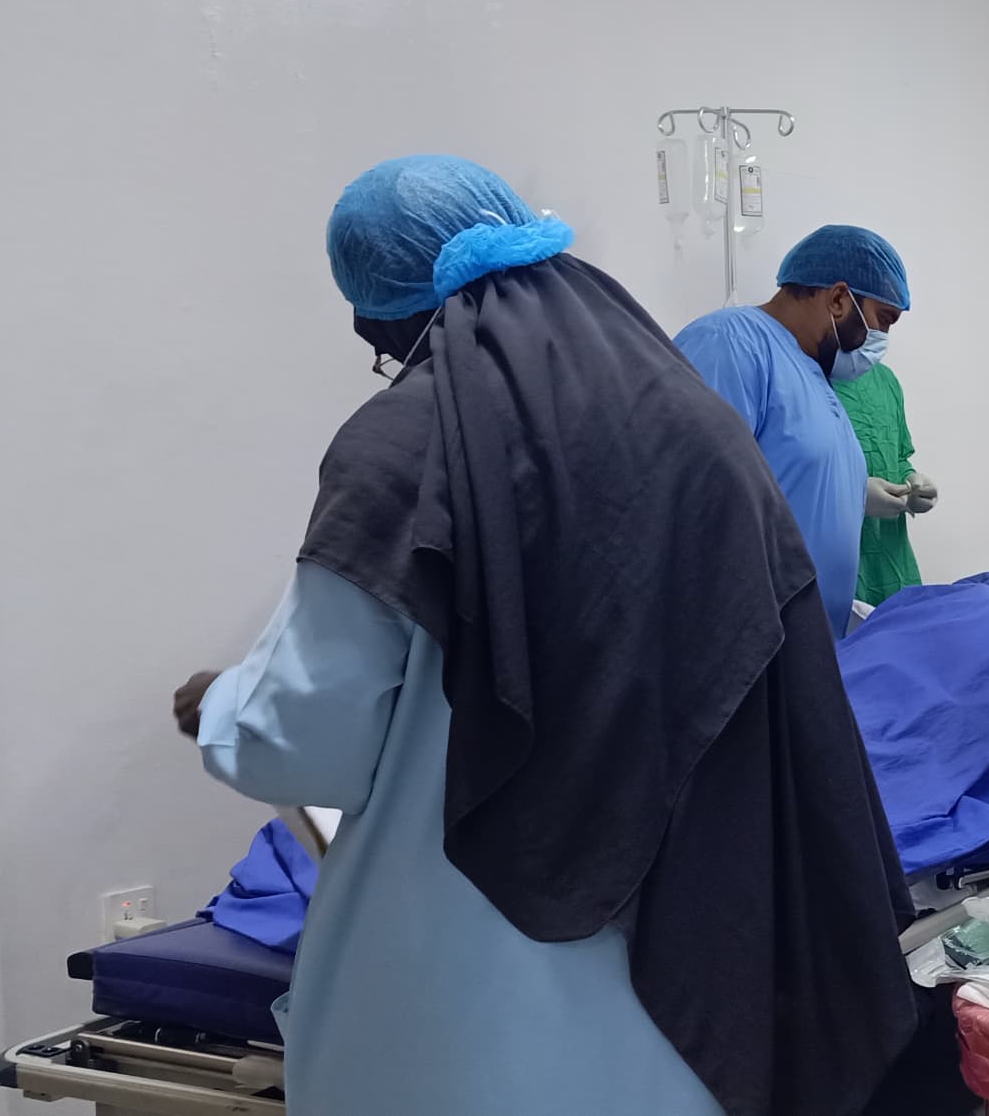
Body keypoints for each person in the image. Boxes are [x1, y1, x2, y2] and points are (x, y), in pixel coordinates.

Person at [171, 157, 920, 1116]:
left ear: (399, 312)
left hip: (474, 978)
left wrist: (222, 708)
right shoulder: (688, 416)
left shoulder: (403, 446)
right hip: (684, 972)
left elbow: (305, 739)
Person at [674, 224, 910, 632]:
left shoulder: (814, 373)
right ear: (839, 299)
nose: (882, 338)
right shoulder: (729, 343)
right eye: (883, 320)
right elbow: (694, 501)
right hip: (750, 638)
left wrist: (856, 493)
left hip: (809, 638)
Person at [833, 350, 936, 605]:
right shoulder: (810, 380)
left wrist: (912, 483)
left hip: (891, 555)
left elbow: (896, 455)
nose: (879, 333)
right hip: (836, 558)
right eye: (877, 326)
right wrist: (853, 496)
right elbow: (788, 475)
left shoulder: (885, 380)